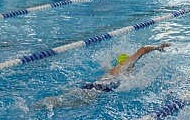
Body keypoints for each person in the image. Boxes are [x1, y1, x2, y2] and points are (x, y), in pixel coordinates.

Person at [36, 43, 170, 108]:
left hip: (95, 85)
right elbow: (142, 50)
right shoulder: (124, 67)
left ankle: (43, 104)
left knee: (67, 100)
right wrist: (158, 47)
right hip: (99, 88)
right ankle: (42, 105)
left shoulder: (114, 70)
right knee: (69, 103)